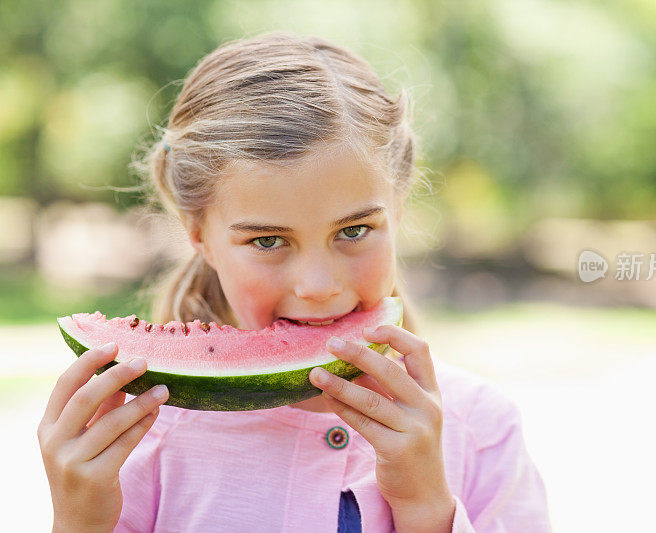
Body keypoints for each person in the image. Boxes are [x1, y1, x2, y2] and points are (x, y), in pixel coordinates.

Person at [37, 31, 553, 532]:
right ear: (199, 235)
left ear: (396, 208)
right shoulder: (132, 445)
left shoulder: (481, 429)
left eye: (354, 230)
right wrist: (79, 523)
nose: (318, 285)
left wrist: (425, 506)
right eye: (267, 241)